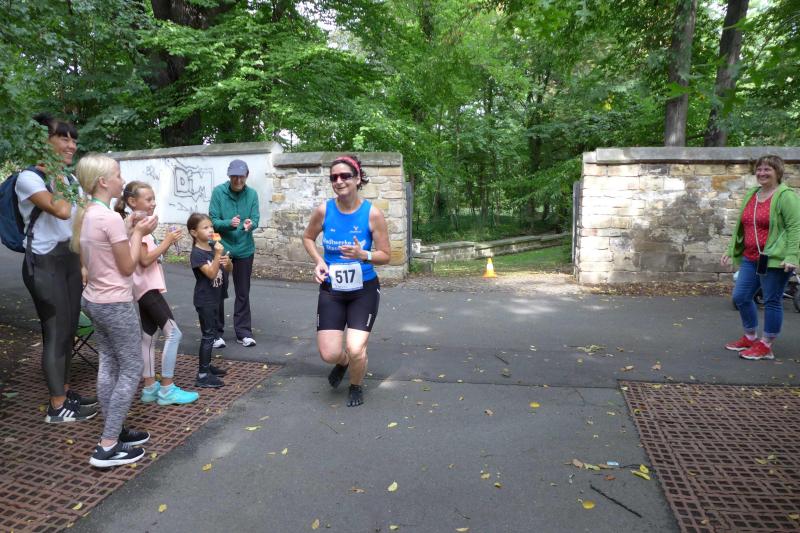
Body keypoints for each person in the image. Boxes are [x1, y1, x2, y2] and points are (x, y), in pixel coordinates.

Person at [73, 154, 156, 467]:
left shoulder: (88, 213)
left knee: (108, 362)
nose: (122, 180)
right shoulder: (107, 217)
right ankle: (107, 445)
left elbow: (103, 253)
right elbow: (127, 266)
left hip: (94, 299)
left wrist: (128, 227)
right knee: (132, 367)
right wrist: (138, 233)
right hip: (115, 302)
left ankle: (115, 430)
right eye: (118, 175)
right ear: (103, 181)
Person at [15, 113, 97, 423]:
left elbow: (79, 222)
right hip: (43, 263)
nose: (71, 145)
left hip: (69, 259)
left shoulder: (70, 180)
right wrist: (56, 174)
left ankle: (65, 392)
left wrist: (83, 264)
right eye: (63, 138)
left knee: (70, 330)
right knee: (56, 330)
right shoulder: (29, 179)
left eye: (74, 139)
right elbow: (62, 210)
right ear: (43, 141)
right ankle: (56, 406)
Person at [302, 155, 391, 407]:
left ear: (357, 178)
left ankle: (356, 385)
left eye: (345, 176)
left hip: (364, 290)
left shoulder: (372, 214)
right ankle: (343, 364)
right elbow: (307, 238)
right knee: (329, 353)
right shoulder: (324, 210)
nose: (339, 181)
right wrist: (319, 261)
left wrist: (364, 254)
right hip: (332, 289)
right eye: (334, 177)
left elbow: (387, 255)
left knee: (355, 348)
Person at [115, 181, 199, 406]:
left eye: (153, 199)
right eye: (148, 199)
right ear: (133, 202)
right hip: (147, 289)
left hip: (142, 288)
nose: (153, 203)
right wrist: (168, 242)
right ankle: (167, 389)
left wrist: (161, 245)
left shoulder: (134, 223)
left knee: (149, 337)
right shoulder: (139, 226)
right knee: (174, 333)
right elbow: (144, 260)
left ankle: (150, 387)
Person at [722, 155, 800, 360]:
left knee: (772, 300)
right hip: (751, 257)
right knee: (741, 297)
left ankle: (766, 345)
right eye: (759, 169)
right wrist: (731, 249)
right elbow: (742, 225)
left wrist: (792, 256)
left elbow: (795, 228)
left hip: (775, 259)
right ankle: (750, 337)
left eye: (767, 169)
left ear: (778, 172)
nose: (762, 173)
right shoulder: (753, 194)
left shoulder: (786, 196)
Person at [209, 159, 259, 348]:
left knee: (243, 292)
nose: (238, 180)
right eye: (234, 176)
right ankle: (216, 334)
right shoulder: (218, 192)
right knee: (219, 290)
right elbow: (212, 221)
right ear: (229, 176)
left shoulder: (252, 194)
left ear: (247, 175)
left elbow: (256, 218)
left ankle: (243, 333)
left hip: (245, 249)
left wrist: (250, 224)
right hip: (222, 248)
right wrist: (228, 223)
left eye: (241, 176)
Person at [188, 213, 232, 388]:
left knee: (212, 333)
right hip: (205, 299)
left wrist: (227, 262)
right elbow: (212, 274)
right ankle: (203, 375)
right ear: (194, 232)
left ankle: (207, 366)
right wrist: (218, 255)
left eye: (211, 227)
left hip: (216, 296)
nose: (210, 230)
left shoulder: (213, 247)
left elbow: (227, 269)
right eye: (205, 227)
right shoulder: (197, 253)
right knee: (208, 336)